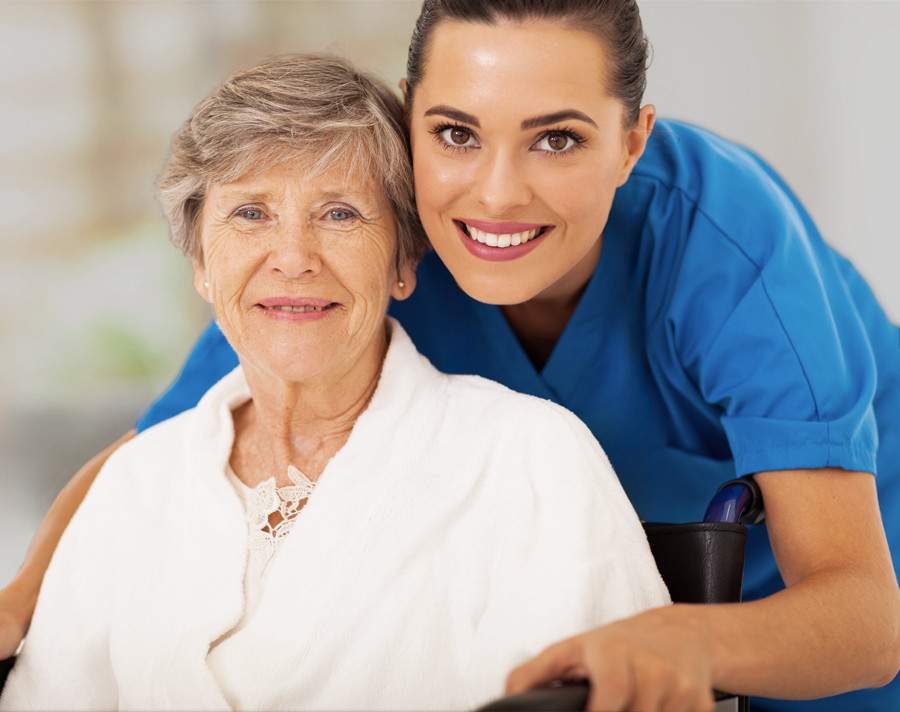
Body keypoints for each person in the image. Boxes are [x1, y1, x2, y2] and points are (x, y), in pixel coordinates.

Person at [2, 0, 898, 709]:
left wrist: (677, 639)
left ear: (632, 141)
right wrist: (16, 609)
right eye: (456, 133)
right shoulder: (375, 241)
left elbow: (863, 619)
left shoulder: (723, 249)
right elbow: (161, 455)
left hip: (834, 593)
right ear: (408, 118)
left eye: (558, 137)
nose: (497, 196)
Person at [0, 54, 670, 711]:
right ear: (201, 265)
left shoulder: (529, 457)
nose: (293, 258)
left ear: (404, 264)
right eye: (251, 214)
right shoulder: (133, 485)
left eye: (339, 214)